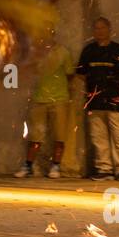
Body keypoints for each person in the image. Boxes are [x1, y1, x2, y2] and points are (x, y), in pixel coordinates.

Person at [77, 16, 119, 181]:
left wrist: (112, 87)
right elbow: (80, 73)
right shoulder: (88, 51)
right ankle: (104, 169)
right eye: (96, 28)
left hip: (115, 102)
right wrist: (94, 87)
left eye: (102, 28)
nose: (99, 31)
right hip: (95, 102)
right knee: (98, 136)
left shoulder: (118, 50)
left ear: (109, 29)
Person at [15, 32, 74, 179]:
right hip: (39, 99)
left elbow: (70, 74)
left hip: (59, 99)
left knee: (59, 135)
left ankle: (56, 166)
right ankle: (28, 166)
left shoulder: (63, 52)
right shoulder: (35, 52)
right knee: (35, 136)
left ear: (53, 34)